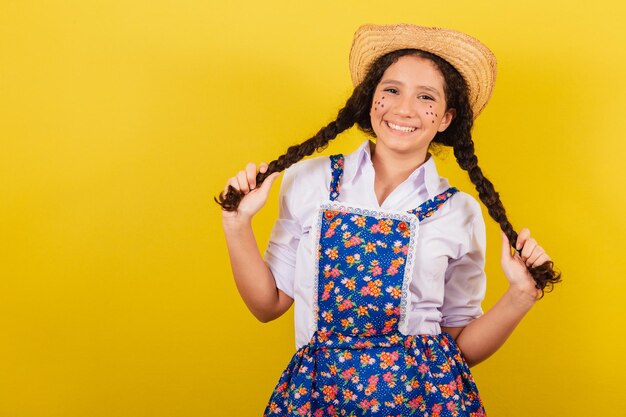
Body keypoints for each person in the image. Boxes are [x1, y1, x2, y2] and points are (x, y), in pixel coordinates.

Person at [218, 24, 560, 416]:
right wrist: (236, 223)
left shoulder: (458, 211)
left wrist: (520, 295)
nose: (404, 109)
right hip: (320, 398)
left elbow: (460, 346)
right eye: (391, 90)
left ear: (446, 118)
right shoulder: (308, 181)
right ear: (370, 100)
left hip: (424, 403)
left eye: (425, 97)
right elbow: (268, 305)